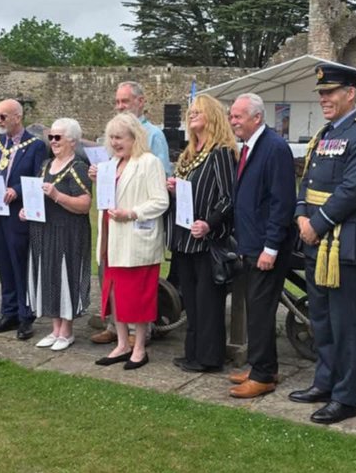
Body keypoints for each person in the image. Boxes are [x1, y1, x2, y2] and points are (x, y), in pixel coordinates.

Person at [288, 62, 356, 423]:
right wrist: (300, 214)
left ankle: (346, 397)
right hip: (314, 239)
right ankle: (324, 382)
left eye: (330, 92)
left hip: (343, 241)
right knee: (322, 319)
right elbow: (306, 180)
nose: (324, 99)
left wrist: (316, 223)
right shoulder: (324, 134)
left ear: (350, 94)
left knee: (347, 324)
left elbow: (353, 189)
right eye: (322, 94)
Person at [90, 80, 172, 346]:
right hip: (113, 232)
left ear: (140, 101)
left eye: (124, 101)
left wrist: (133, 212)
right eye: (117, 102)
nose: (120, 106)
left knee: (136, 290)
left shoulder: (152, 142)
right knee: (115, 286)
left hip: (137, 229)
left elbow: (158, 187)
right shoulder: (114, 160)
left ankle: (139, 338)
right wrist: (99, 177)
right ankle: (118, 333)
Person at [226, 93, 296, 397]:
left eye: (238, 116)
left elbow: (282, 202)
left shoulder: (274, 148)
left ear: (256, 117)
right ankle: (261, 365)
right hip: (250, 243)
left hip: (265, 248)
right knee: (256, 309)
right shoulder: (250, 147)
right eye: (232, 116)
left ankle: (264, 375)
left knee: (262, 310)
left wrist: (270, 247)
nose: (233, 121)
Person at [167, 93, 236, 374]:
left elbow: (228, 197)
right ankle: (192, 353)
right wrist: (173, 188)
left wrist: (209, 223)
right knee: (192, 302)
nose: (192, 114)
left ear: (212, 116)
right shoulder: (189, 154)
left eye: (198, 110)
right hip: (184, 239)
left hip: (206, 240)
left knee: (208, 303)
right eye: (190, 111)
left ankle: (209, 358)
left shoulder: (220, 152)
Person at [0, 99, 48, 340]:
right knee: (4, 266)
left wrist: (17, 189)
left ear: (18, 117)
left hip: (18, 215)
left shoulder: (35, 146)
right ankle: (9, 312)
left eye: (3, 116)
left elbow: (39, 178)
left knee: (20, 265)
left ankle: (25, 315)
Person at [22, 118, 92, 351]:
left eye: (58, 137)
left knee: (66, 275)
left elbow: (84, 204)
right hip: (44, 229)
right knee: (48, 275)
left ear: (72, 141)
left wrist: (57, 196)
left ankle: (67, 331)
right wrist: (27, 210)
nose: (52, 141)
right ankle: (54, 329)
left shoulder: (78, 167)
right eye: (50, 137)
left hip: (69, 231)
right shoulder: (45, 165)